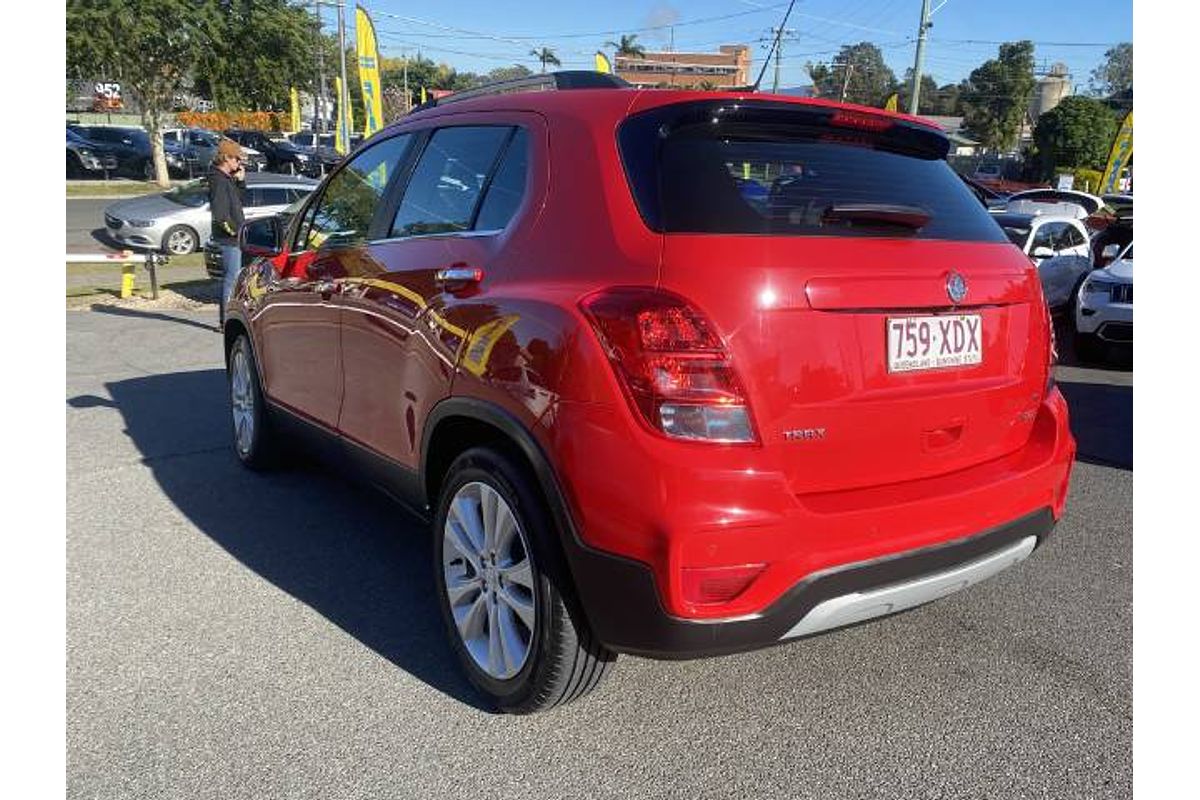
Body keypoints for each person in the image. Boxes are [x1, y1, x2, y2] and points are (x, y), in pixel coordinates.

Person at [209, 138, 246, 326]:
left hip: (234, 237)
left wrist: (240, 182)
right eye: (237, 159)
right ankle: (226, 322)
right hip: (228, 239)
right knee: (230, 280)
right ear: (227, 158)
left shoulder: (227, 179)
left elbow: (237, 202)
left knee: (234, 278)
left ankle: (229, 319)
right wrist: (234, 232)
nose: (240, 163)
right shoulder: (218, 181)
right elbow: (220, 215)